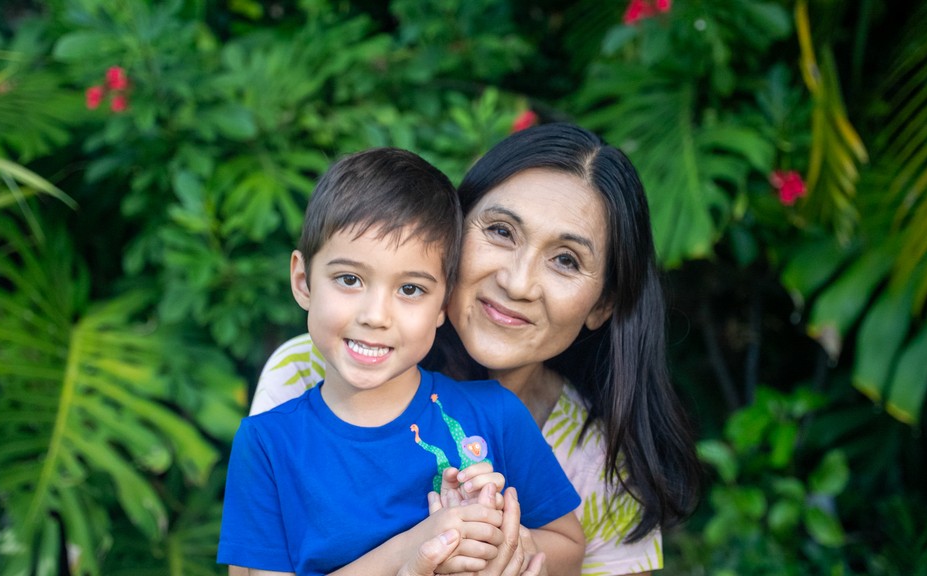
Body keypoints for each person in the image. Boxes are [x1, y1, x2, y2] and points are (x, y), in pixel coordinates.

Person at [253, 123, 703, 575]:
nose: (517, 282)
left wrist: (500, 547)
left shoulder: (601, 463)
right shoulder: (311, 371)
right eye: (502, 231)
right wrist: (417, 548)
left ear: (603, 303)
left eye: (566, 259)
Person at [218, 147, 585, 576]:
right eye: (349, 279)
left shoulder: (495, 413)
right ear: (303, 281)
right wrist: (414, 550)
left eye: (410, 289)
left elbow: (569, 549)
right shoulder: (266, 444)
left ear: (443, 303)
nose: (376, 315)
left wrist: (490, 537)